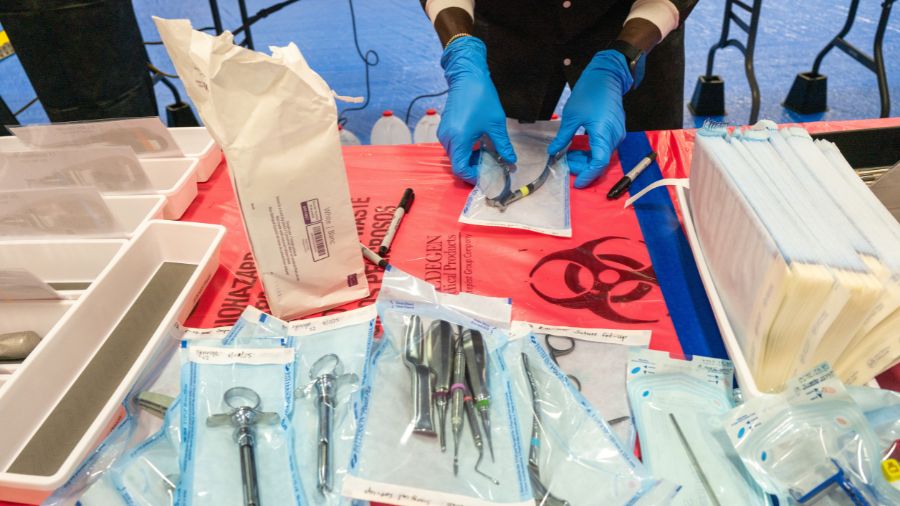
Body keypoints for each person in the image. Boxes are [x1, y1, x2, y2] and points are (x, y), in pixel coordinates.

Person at [419, 0, 698, 188]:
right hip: (509, 23)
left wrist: (621, 60)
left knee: (643, 175)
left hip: (634, 25)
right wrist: (461, 55)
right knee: (492, 170)